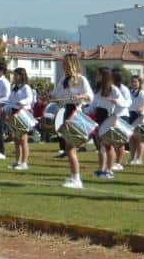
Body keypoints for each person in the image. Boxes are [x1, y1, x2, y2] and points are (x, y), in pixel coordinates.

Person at [51, 53, 92, 189]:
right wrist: (50, 97)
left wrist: (80, 96)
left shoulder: (81, 79)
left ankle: (77, 179)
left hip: (75, 113)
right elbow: (57, 95)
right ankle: (74, 177)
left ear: (71, 64)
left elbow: (89, 96)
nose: (63, 65)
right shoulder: (63, 79)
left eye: (65, 63)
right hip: (66, 112)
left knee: (70, 148)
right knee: (69, 149)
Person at [88, 67, 126, 180]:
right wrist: (84, 111)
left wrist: (116, 103)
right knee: (101, 146)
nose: (96, 77)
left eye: (98, 75)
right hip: (98, 118)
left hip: (109, 118)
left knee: (108, 146)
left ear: (103, 76)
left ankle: (109, 170)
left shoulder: (113, 89)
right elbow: (93, 105)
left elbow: (123, 103)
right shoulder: (98, 90)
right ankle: (101, 169)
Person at [4, 67, 35, 170]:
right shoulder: (14, 88)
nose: (14, 77)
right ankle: (17, 161)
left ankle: (24, 163)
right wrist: (5, 108)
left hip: (23, 113)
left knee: (23, 139)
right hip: (14, 113)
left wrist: (22, 102)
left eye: (16, 75)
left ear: (21, 76)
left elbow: (30, 99)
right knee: (16, 139)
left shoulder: (26, 87)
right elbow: (9, 101)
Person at [126, 75, 144, 165]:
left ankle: (139, 158)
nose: (134, 83)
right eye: (132, 82)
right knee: (131, 138)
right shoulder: (129, 92)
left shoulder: (142, 93)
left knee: (140, 138)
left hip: (139, 116)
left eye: (136, 82)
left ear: (140, 83)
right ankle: (132, 158)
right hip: (130, 115)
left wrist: (141, 108)